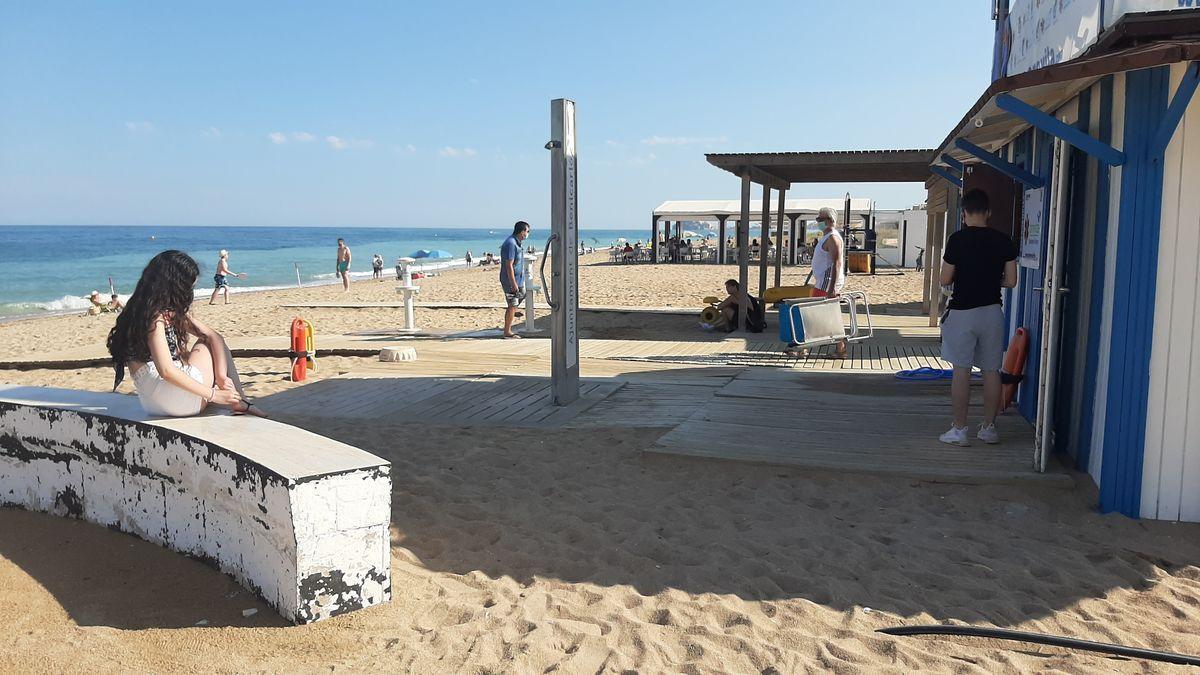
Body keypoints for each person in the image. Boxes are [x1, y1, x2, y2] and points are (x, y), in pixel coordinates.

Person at [106, 250, 265, 418]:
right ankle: (241, 401)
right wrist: (214, 393)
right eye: (189, 287)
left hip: (152, 402)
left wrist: (220, 377)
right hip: (176, 399)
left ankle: (237, 399)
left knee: (202, 347)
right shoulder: (157, 316)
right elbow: (167, 370)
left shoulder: (138, 309)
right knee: (204, 343)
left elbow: (215, 337)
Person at [938, 189, 1018, 447]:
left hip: (962, 312)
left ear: (964, 214)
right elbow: (1012, 281)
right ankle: (989, 428)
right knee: (991, 370)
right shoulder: (1003, 240)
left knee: (961, 371)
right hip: (992, 311)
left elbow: (945, 278)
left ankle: (960, 430)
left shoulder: (957, 240)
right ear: (988, 212)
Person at [811, 206, 848, 358]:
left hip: (827, 282)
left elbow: (837, 263)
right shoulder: (826, 237)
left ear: (830, 221)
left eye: (820, 219)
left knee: (814, 314)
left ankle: (801, 347)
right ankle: (840, 348)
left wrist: (832, 287)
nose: (818, 221)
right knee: (823, 315)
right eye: (817, 219)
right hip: (822, 280)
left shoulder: (833, 237)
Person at [500, 221, 531, 338]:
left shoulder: (518, 243)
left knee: (522, 294)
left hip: (519, 279)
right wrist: (513, 283)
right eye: (527, 231)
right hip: (510, 281)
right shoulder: (511, 243)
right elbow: (509, 265)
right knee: (512, 304)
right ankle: (507, 332)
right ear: (522, 231)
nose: (528, 234)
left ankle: (513, 310)